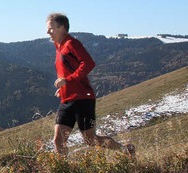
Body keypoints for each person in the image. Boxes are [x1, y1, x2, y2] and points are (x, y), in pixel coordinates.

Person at [46, 13, 135, 156]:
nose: (47, 32)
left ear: (61, 28)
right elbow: (68, 71)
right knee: (58, 140)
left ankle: (126, 150)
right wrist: (64, 87)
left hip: (83, 98)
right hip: (67, 99)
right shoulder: (59, 47)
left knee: (91, 139)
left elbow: (88, 63)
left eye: (50, 28)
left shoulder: (72, 44)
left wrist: (68, 81)